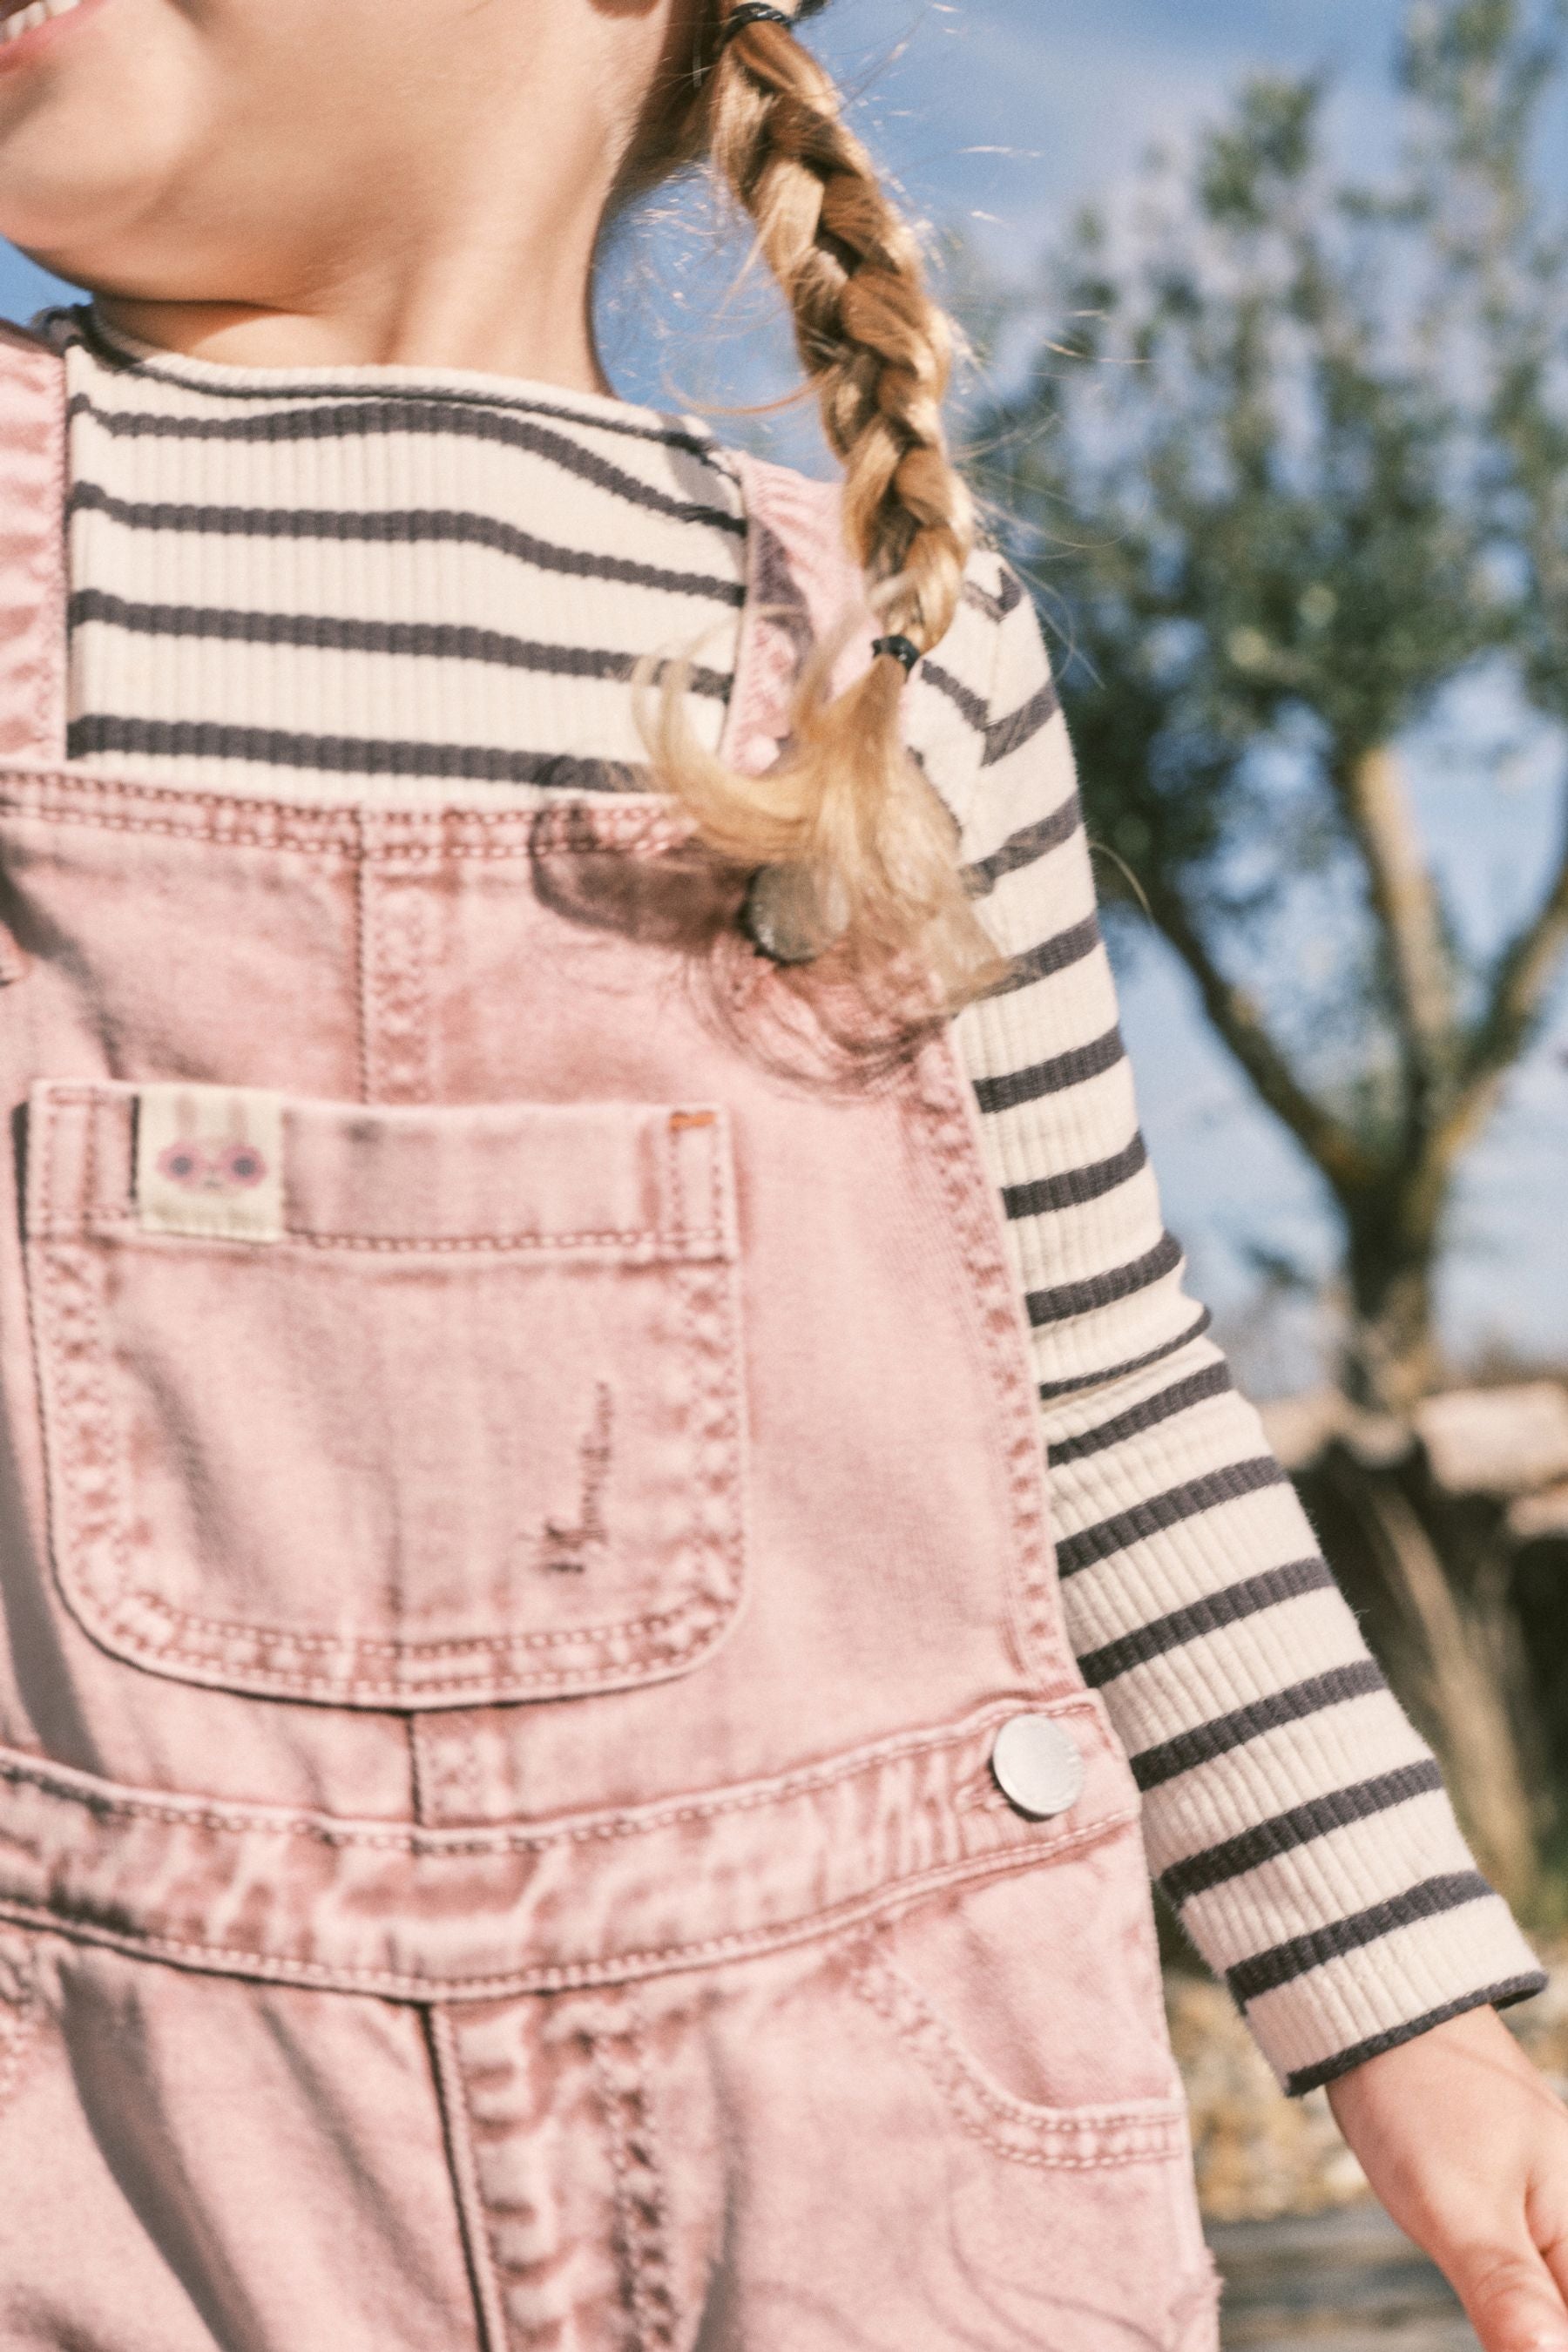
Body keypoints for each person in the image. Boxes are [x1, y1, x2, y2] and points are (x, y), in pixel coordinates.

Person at [0, 0, 1562, 2344]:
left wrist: (1421, 2016)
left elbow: (1103, 1395)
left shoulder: (879, 642)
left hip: (871, 2140)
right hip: (140, 2144)